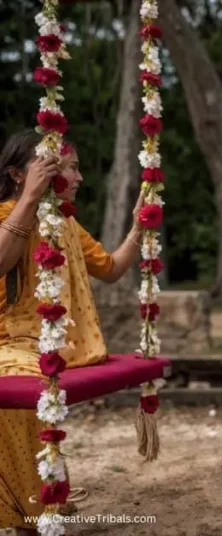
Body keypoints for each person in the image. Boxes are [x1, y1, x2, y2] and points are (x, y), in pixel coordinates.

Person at [0, 130, 145, 535]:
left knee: (34, 396)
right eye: (72, 168)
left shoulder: (65, 224)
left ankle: (33, 512)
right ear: (18, 174)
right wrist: (28, 200)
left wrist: (137, 229)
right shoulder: (4, 214)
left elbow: (112, 268)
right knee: (22, 396)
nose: (79, 178)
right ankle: (33, 512)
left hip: (47, 347)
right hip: (7, 343)